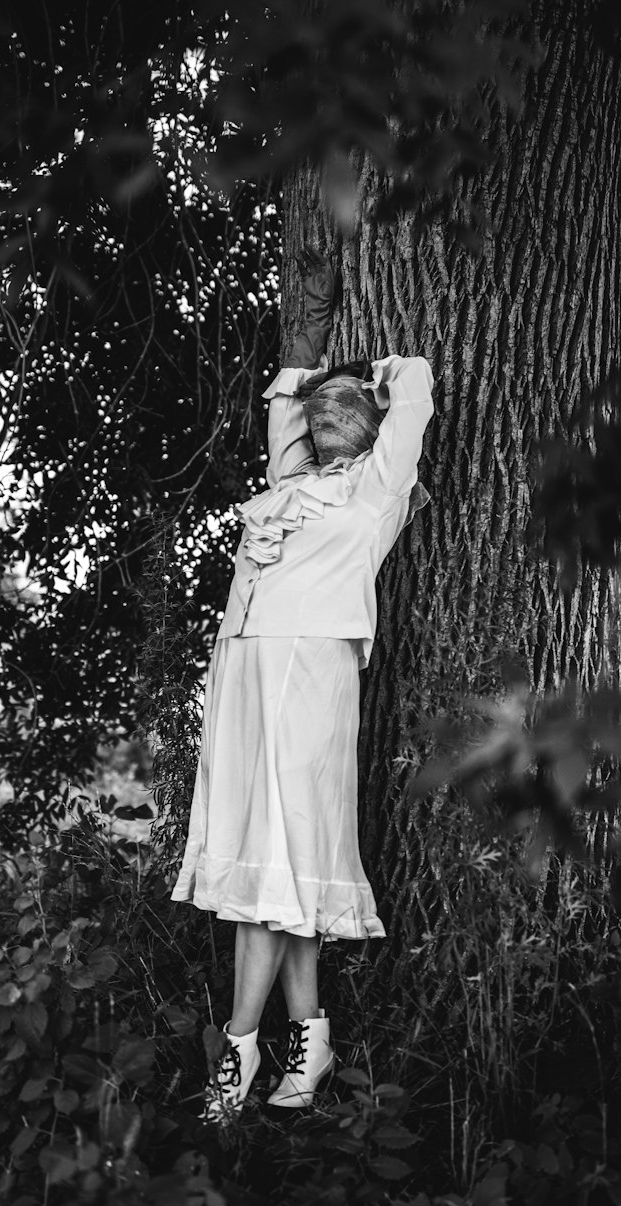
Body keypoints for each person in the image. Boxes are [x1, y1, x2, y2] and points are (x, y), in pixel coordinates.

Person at [169, 243, 435, 1123]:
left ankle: (237, 1048)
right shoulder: (290, 486)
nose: (325, 416)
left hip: (313, 670)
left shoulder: (375, 492)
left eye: (345, 409)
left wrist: (369, 374)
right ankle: (310, 1037)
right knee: (269, 859)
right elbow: (286, 401)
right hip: (245, 672)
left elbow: (418, 383)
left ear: (371, 424)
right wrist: (314, 379)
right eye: (321, 410)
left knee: (277, 860)